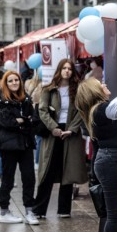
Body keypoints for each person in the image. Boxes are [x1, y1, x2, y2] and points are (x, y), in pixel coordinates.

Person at [75, 78, 117, 232]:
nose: (105, 85)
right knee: (114, 214)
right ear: (95, 90)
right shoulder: (102, 110)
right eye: (101, 84)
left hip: (108, 161)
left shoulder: (97, 111)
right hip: (112, 161)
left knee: (114, 213)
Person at [34, 59, 87, 218]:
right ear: (59, 70)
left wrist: (71, 130)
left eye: (70, 69)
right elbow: (42, 111)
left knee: (68, 170)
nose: (67, 71)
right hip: (53, 132)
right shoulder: (49, 89)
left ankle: (64, 209)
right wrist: (54, 128)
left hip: (70, 132)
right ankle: (39, 210)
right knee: (48, 170)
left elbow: (81, 111)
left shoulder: (77, 90)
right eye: (64, 68)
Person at [0, 71, 39, 225]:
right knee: (8, 179)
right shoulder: (0, 99)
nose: (14, 83)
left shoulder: (26, 98)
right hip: (8, 145)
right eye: (10, 81)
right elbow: (6, 122)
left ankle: (29, 211)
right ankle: (4, 211)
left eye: (16, 80)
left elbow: (34, 118)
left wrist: (22, 120)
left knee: (29, 177)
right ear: (6, 83)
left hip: (25, 143)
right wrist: (23, 121)